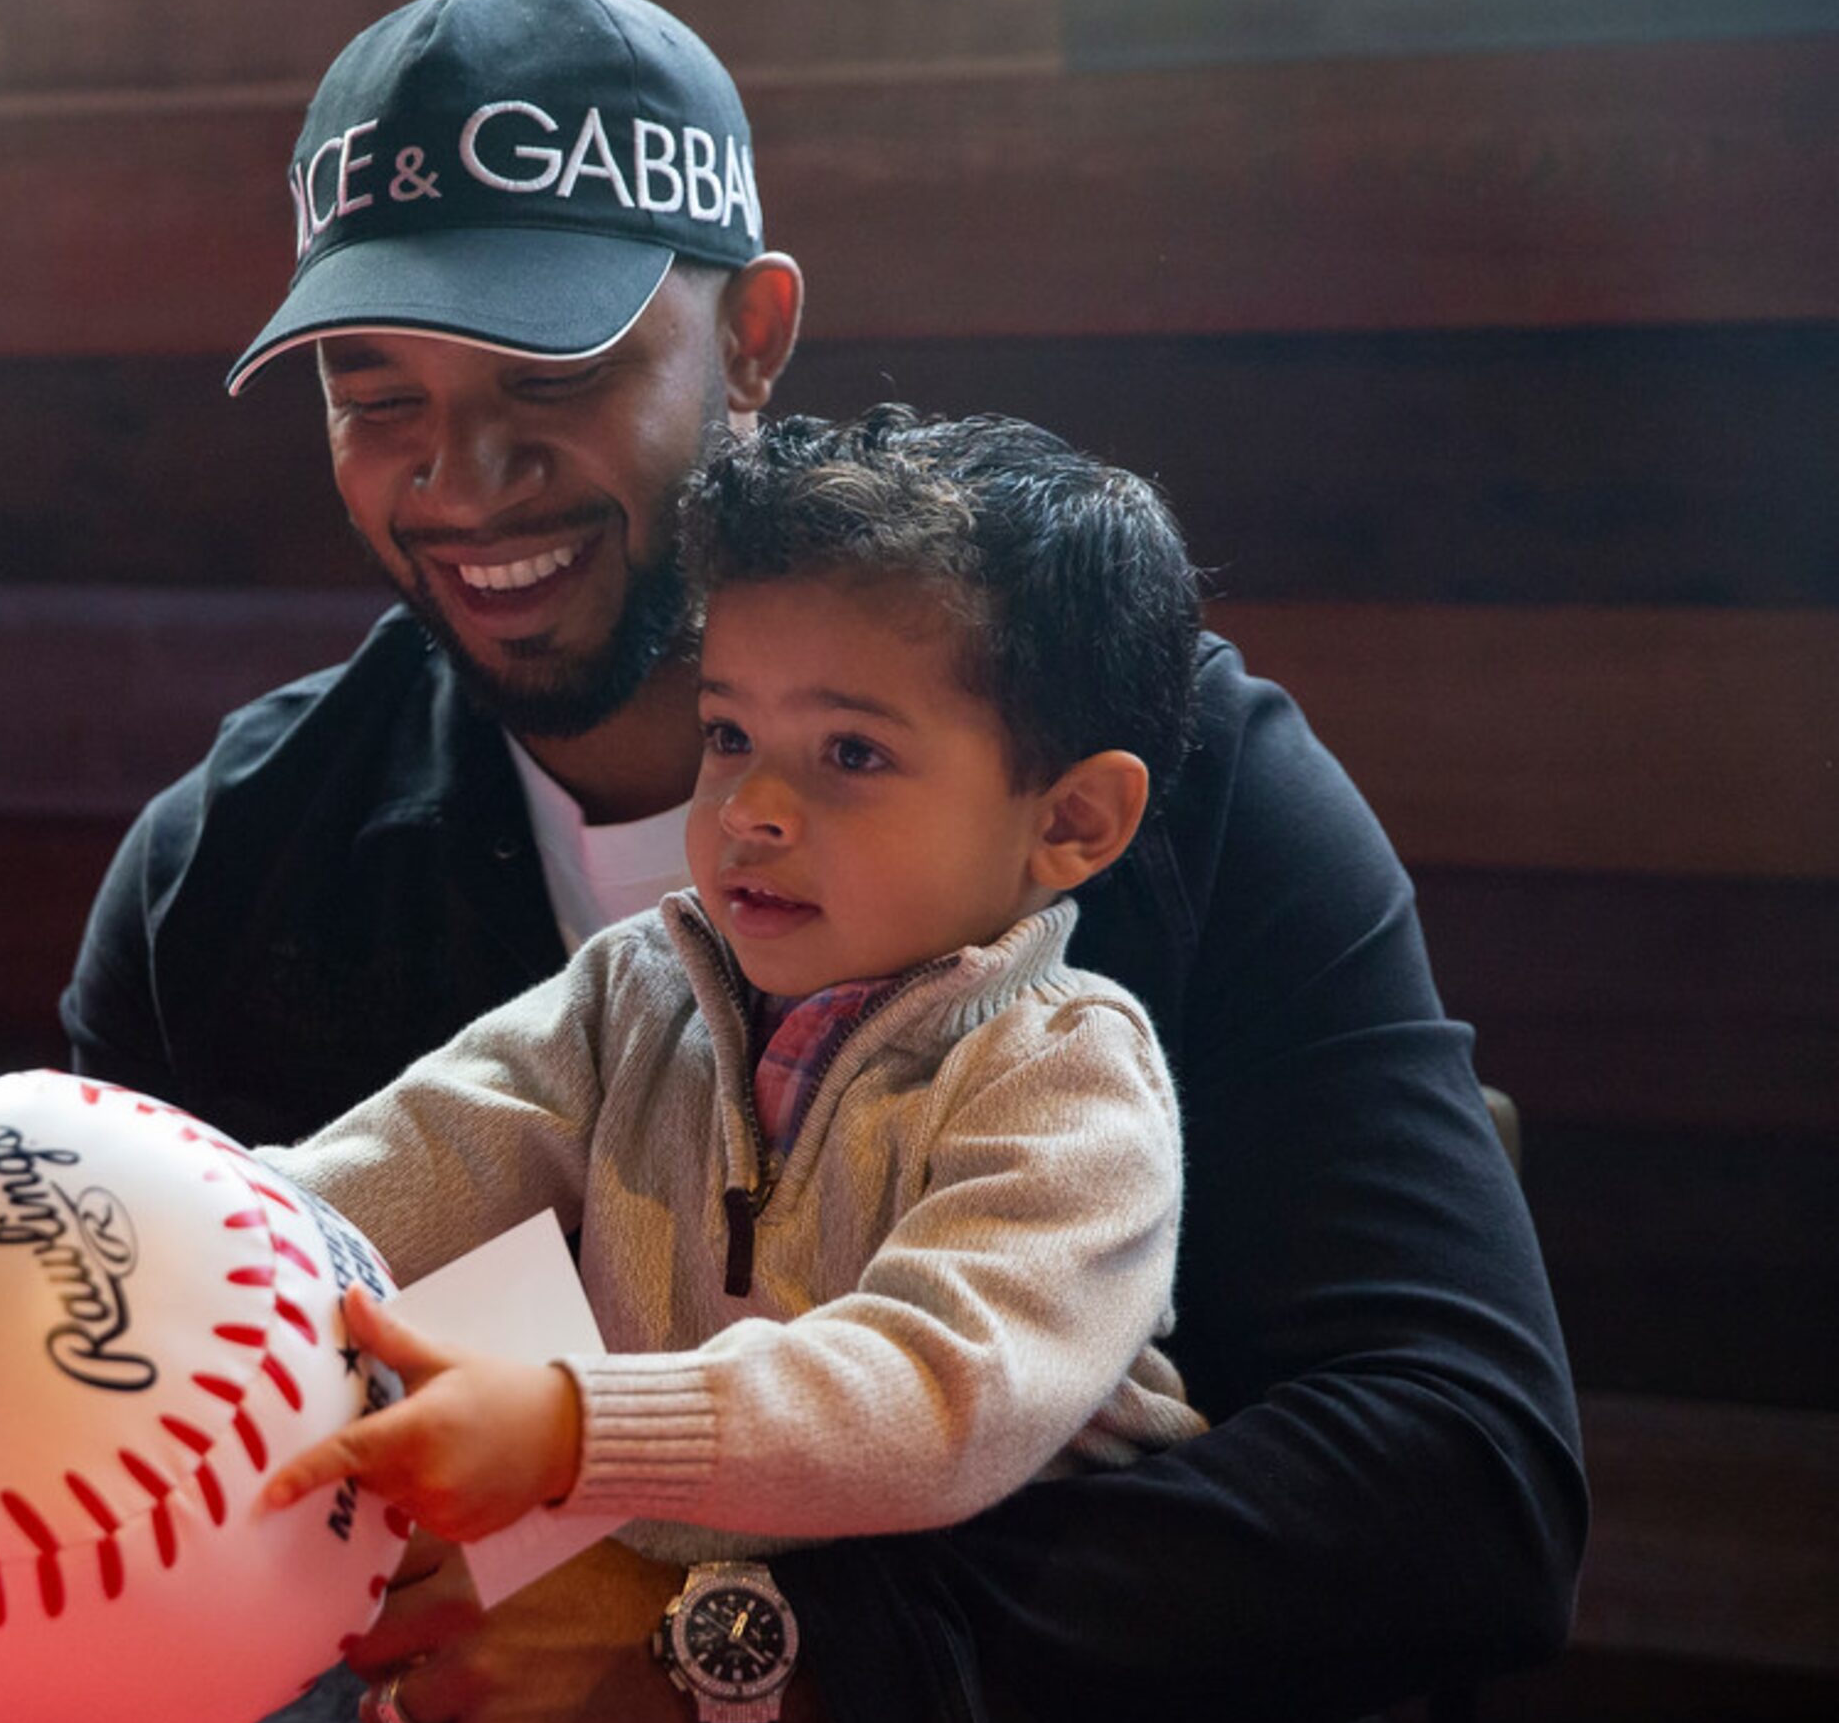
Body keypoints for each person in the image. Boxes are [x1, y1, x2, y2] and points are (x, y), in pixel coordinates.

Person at [0, 0, 1586, 1723]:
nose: (461, 476)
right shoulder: (235, 870)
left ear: (754, 335)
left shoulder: (1158, 781)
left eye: (552, 378)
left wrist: (745, 1669)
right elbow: (175, 1348)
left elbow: (1461, 1489)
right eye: (379, 398)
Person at [256, 407, 1210, 1590]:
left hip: (1005, 1686)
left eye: (850, 754)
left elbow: (937, 1393)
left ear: (1071, 821)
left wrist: (576, 1427)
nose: (748, 806)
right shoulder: (634, 993)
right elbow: (408, 1163)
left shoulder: (1063, 1079)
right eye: (726, 732)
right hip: (697, 1614)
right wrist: (201, 1244)